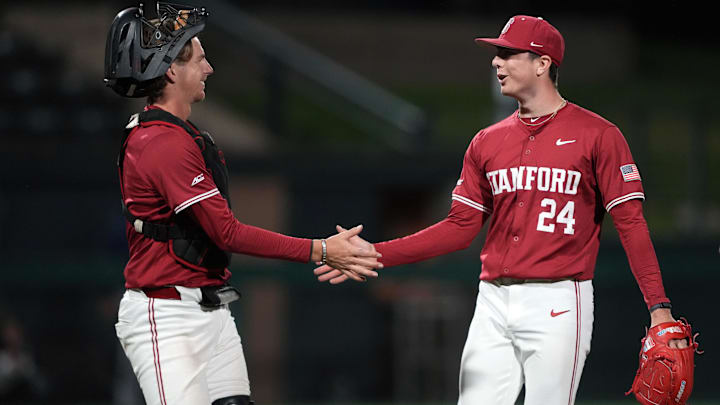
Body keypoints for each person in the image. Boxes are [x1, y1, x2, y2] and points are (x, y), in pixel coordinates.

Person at [315, 15, 688, 405]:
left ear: (543, 63)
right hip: (492, 299)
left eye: (509, 53)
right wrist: (376, 253)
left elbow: (630, 223)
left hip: (558, 300)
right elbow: (459, 227)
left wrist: (658, 308)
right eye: (497, 54)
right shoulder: (486, 142)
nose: (497, 62)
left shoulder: (599, 135)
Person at [104, 3, 381, 405]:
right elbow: (227, 233)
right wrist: (321, 250)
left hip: (210, 309)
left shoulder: (180, 135)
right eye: (200, 58)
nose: (209, 68)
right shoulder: (160, 142)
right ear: (170, 70)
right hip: (166, 316)